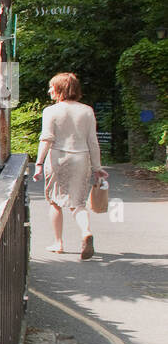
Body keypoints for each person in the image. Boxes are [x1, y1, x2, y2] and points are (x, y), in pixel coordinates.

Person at [33, 71, 108, 259]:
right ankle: (86, 232)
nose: (49, 90)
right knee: (78, 203)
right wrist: (97, 167)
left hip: (58, 158)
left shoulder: (51, 111)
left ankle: (58, 243)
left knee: (54, 201)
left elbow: (47, 139)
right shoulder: (87, 111)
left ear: (60, 89)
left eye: (52, 87)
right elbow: (93, 142)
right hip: (81, 158)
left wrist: (39, 163)